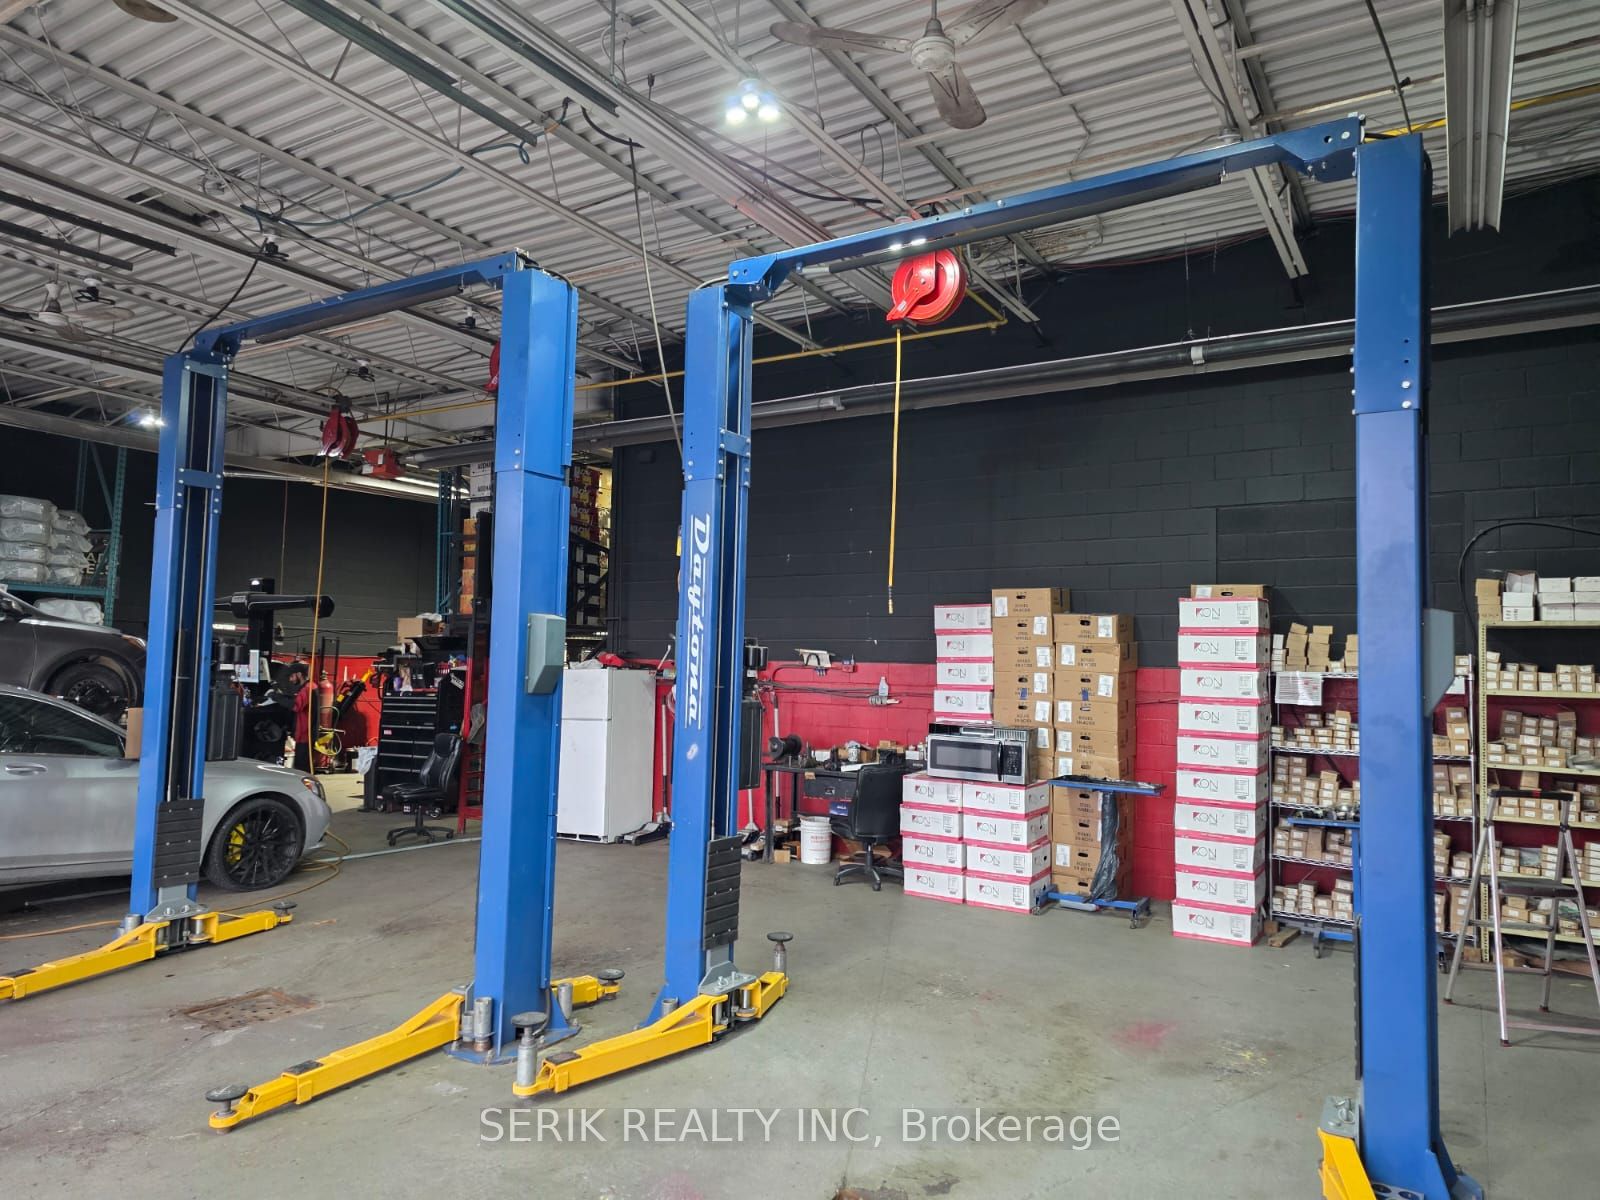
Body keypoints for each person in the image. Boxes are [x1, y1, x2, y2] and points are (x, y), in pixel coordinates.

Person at [286, 662, 312, 771]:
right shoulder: (308, 687)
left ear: (299, 675)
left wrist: (278, 698)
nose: (290, 679)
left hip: (304, 735)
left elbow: (296, 706)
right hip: (303, 734)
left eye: (292, 676)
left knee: (301, 768)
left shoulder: (307, 689)